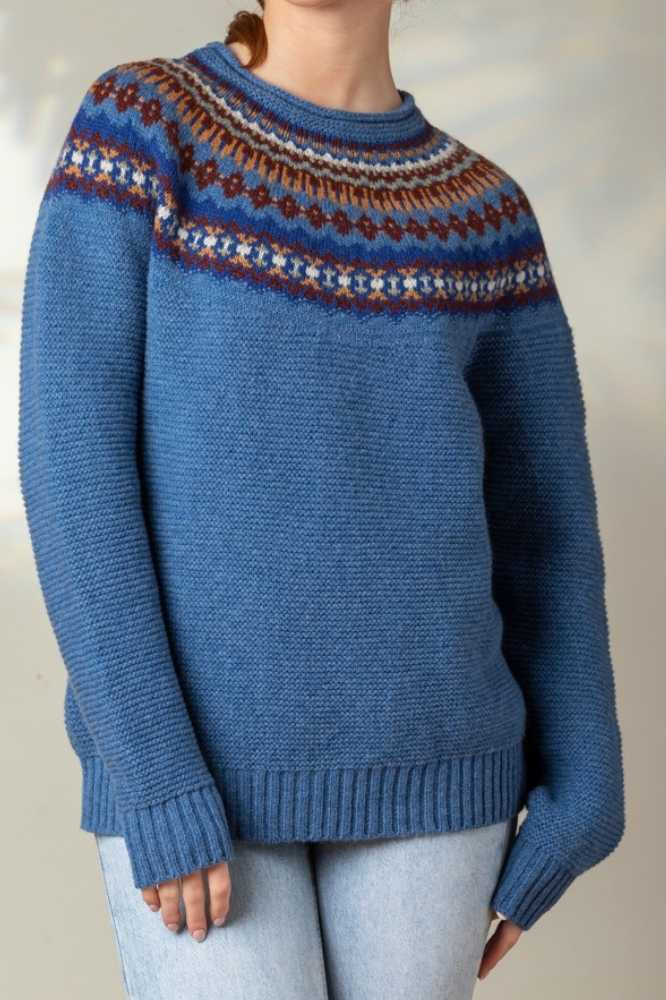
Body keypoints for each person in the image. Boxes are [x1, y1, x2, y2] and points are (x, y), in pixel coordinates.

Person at [17, 1, 626, 997]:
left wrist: (588, 780)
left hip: (438, 780)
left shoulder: (486, 215)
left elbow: (545, 529)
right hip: (196, 779)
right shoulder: (143, 130)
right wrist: (155, 774)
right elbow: (73, 471)